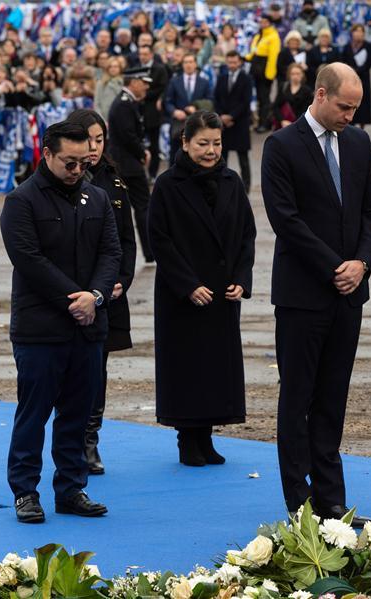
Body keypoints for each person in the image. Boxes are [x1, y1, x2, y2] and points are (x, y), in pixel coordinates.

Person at [261, 63, 371, 527]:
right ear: (320, 94)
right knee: (297, 400)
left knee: (333, 399)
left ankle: (332, 501)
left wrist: (361, 264)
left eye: (356, 108)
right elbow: (285, 220)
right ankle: (300, 503)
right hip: (302, 294)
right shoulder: (280, 146)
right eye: (344, 106)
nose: (350, 116)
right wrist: (335, 266)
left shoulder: (356, 143)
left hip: (348, 295)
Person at [0, 121, 122, 523]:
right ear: (46, 154)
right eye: (69, 163)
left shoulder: (98, 198)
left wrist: (96, 297)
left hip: (88, 327)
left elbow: (110, 253)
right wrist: (75, 299)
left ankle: (71, 488)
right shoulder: (21, 201)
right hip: (40, 329)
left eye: (83, 162)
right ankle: (25, 492)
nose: (76, 170)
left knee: (77, 411)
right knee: (33, 414)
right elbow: (29, 260)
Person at [149, 111, 257, 467]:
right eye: (202, 144)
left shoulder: (231, 181)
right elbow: (160, 240)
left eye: (216, 143)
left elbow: (246, 235)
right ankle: (187, 439)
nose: (211, 151)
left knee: (215, 368)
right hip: (183, 293)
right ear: (185, 143)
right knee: (186, 367)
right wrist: (187, 284)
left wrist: (242, 279)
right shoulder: (167, 184)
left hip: (221, 292)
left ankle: (207, 437)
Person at [64, 109, 137, 476]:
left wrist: (121, 279)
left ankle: (90, 441)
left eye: (99, 139)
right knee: (68, 371)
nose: (93, 147)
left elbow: (126, 239)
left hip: (108, 294)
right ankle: (70, 440)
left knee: (98, 369)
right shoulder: (60, 177)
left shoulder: (114, 180)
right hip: (69, 293)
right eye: (87, 139)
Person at [108, 66, 154, 263]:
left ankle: (145, 252)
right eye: (143, 83)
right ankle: (149, 251)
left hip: (124, 164)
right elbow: (128, 135)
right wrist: (142, 153)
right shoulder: (124, 104)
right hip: (128, 165)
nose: (145, 87)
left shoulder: (126, 102)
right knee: (142, 207)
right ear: (133, 82)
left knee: (127, 209)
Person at [214, 51, 254, 192]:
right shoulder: (221, 78)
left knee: (243, 158)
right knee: (221, 156)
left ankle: (246, 187)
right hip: (223, 125)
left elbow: (246, 101)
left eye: (234, 62)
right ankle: (221, 185)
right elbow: (216, 98)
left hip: (240, 123)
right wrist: (221, 116)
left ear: (240, 62)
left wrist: (231, 116)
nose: (232, 65)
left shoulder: (246, 78)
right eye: (229, 62)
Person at [136, 44, 170, 181]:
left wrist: (145, 94)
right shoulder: (136, 69)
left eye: (145, 54)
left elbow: (163, 87)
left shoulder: (159, 69)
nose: (142, 57)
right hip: (138, 111)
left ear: (151, 55)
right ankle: (139, 173)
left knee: (154, 146)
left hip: (153, 112)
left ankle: (152, 174)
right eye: (140, 54)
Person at [164, 53, 213, 142]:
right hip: (178, 124)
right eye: (186, 62)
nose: (188, 65)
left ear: (195, 64)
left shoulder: (204, 82)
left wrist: (196, 108)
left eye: (191, 62)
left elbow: (209, 101)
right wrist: (174, 111)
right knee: (176, 152)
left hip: (199, 123)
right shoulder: (174, 81)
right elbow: (168, 101)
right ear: (182, 65)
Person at [246, 14, 281, 133]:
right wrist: (246, 58)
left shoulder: (273, 36)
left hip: (265, 70)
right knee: (260, 98)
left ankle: (265, 123)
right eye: (261, 21)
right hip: (256, 69)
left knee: (265, 98)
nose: (263, 24)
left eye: (265, 22)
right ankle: (261, 121)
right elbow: (253, 51)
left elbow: (273, 57)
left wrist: (269, 74)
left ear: (270, 23)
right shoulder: (258, 35)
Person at [341, 24, 371, 129]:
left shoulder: (368, 46)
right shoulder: (347, 47)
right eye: (356, 31)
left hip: (363, 79)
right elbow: (343, 61)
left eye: (361, 31)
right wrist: (350, 71)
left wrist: (357, 70)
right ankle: (350, 127)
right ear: (352, 33)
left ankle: (362, 129)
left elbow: (369, 62)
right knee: (350, 103)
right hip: (349, 80)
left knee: (363, 106)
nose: (359, 34)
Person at [274, 62, 313, 129]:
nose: (295, 76)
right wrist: (282, 120)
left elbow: (308, 111)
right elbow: (276, 106)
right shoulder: (283, 87)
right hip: (283, 125)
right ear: (289, 75)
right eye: (293, 74)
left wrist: (294, 123)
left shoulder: (307, 91)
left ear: (302, 75)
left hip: (299, 126)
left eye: (298, 74)